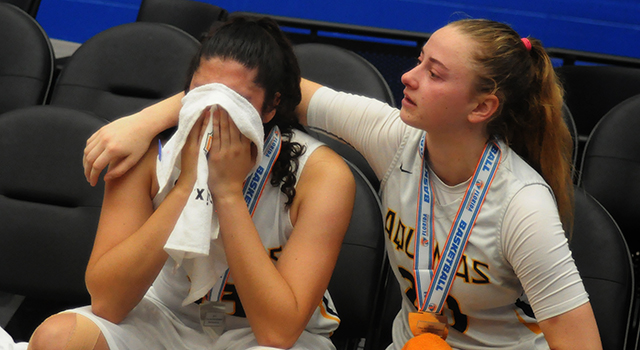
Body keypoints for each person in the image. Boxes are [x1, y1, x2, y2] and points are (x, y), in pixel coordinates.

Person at [81, 18, 603, 350]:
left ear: (482, 107)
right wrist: (146, 119)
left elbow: (578, 342)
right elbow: (265, 86)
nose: (409, 76)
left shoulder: (523, 206)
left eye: (434, 73)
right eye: (418, 60)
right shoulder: (395, 137)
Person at [27, 16, 355, 350]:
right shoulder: (146, 151)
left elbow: (279, 333)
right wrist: (187, 186)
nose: (215, 112)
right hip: (165, 317)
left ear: (271, 106)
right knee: (58, 339)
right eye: (201, 93)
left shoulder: (322, 175)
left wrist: (228, 193)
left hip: (262, 336)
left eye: (235, 99)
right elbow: (108, 302)